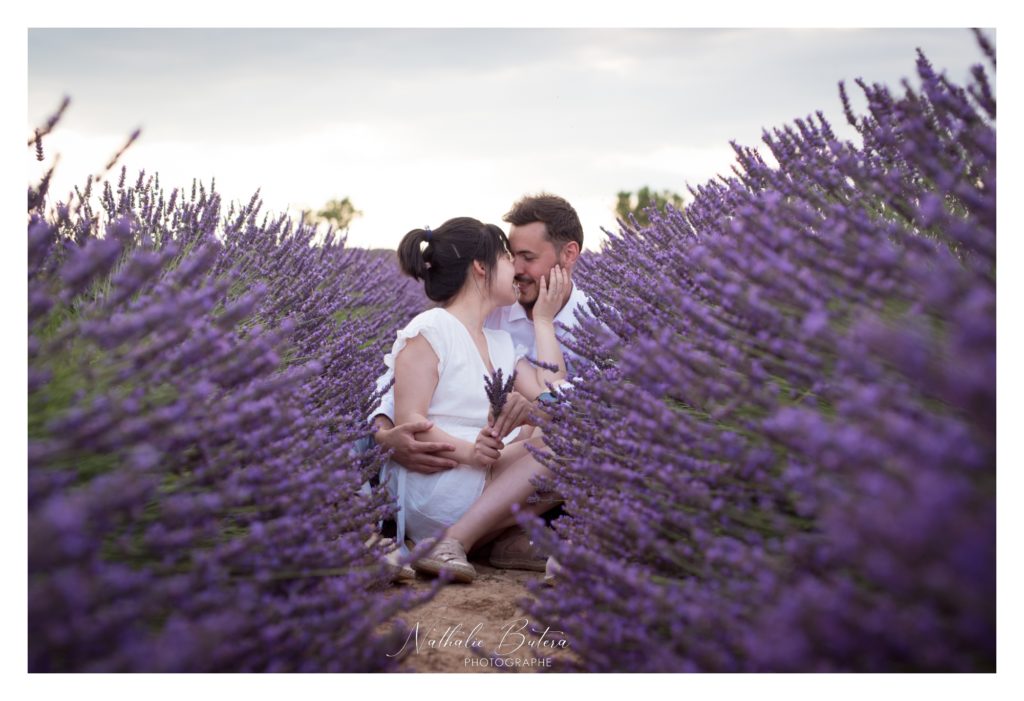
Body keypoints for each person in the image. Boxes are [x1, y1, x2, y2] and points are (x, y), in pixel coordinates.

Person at [369, 194, 591, 573]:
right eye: (509, 258)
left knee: (575, 441)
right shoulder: (432, 328)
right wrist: (467, 451)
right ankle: (458, 541)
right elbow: (411, 419)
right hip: (440, 478)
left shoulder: (502, 342)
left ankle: (482, 543)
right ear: (480, 268)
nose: (517, 269)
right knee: (561, 446)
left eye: (526, 258)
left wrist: (543, 323)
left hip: (480, 473)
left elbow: (559, 403)